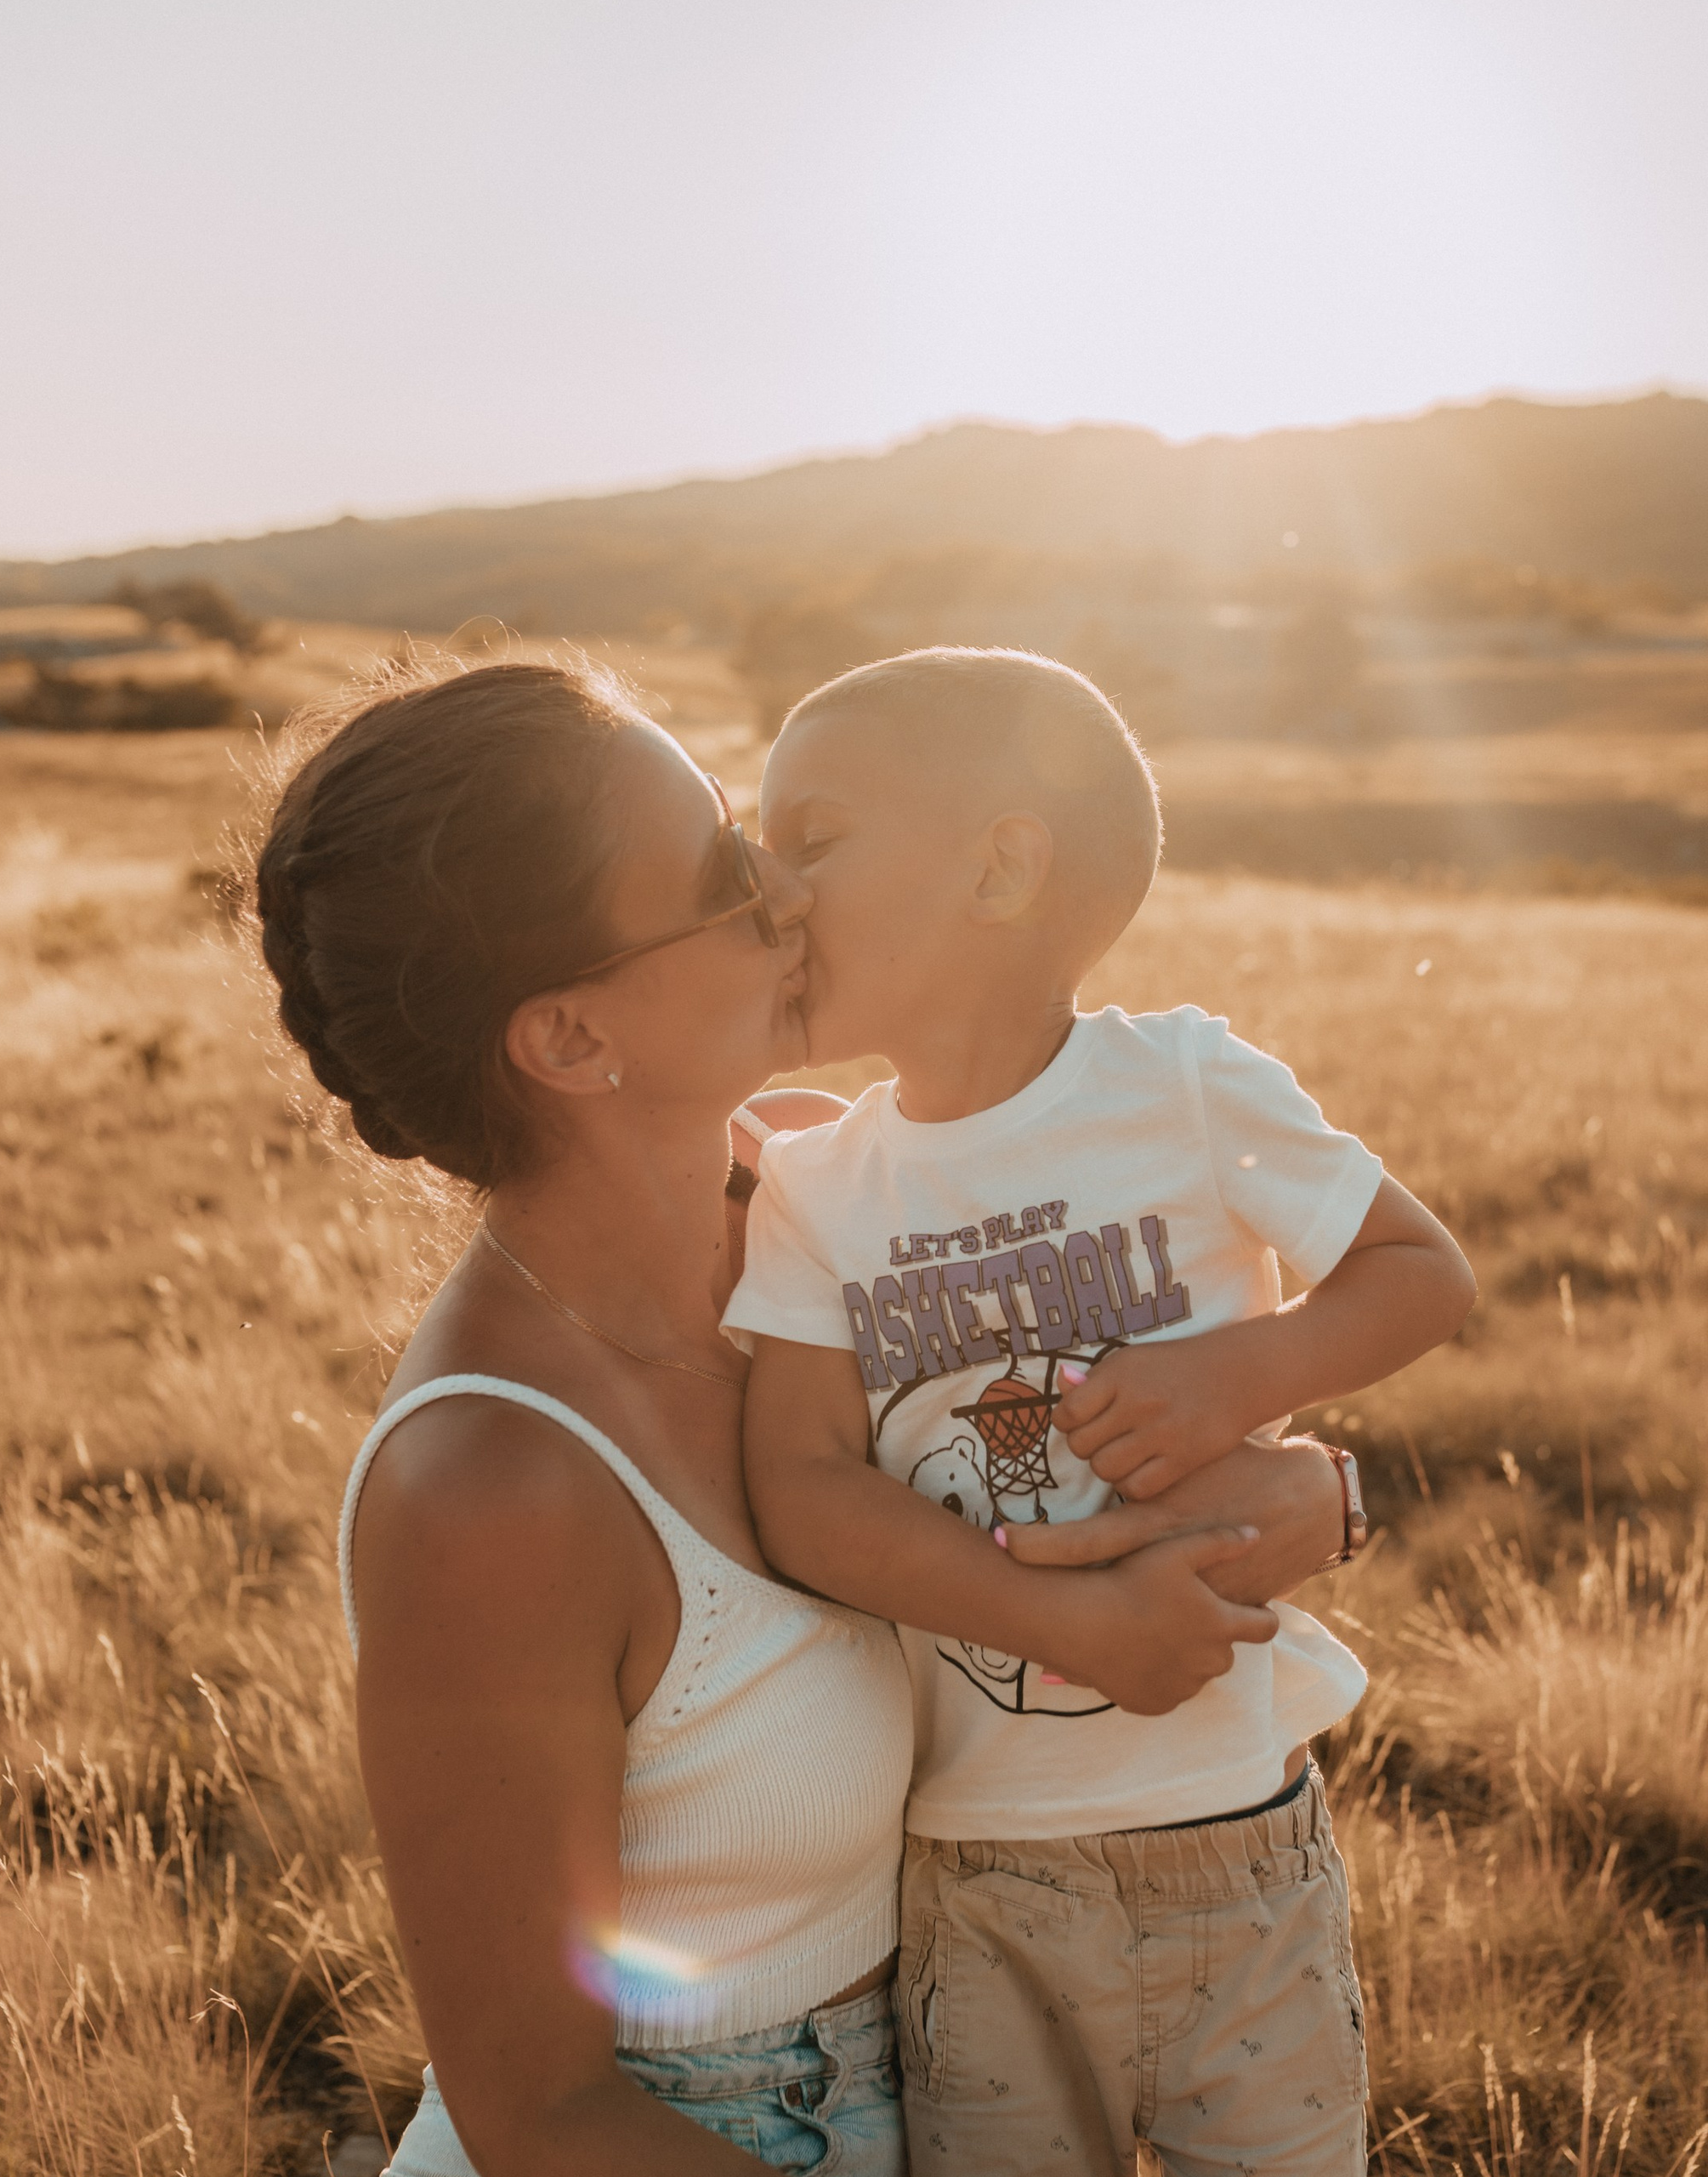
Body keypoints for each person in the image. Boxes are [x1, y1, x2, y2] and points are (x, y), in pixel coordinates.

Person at [252, 657, 1361, 2176]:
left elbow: (1102, 1420)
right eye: (723, 870)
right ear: (571, 1040)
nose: (787, 890)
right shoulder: (488, 1485)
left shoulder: (841, 1198)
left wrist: (1318, 1497)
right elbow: (538, 2113)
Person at [729, 648, 1478, 2177]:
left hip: (1233, 1836)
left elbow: (1422, 1273)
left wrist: (1244, 1371)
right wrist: (1059, 1620)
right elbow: (800, 1487)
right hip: (975, 1864)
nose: (769, 892)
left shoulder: (1185, 1085)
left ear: (1002, 869)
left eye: (812, 841)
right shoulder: (816, 1190)